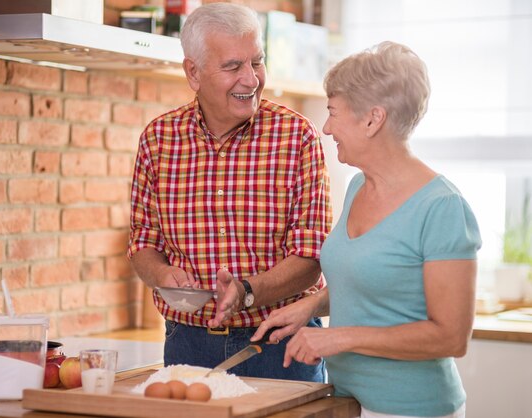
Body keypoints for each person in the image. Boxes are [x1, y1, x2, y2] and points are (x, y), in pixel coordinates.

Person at [252, 41, 481, 417]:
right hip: (345, 398)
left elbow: (451, 337)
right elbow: (372, 278)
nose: (326, 128)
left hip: (410, 409)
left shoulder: (442, 208)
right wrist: (312, 304)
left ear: (373, 119)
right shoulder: (359, 186)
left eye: (333, 113)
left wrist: (338, 338)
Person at [127, 2, 332, 381]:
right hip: (186, 344)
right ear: (193, 72)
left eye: (257, 61)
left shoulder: (296, 136)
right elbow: (143, 242)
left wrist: (246, 291)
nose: (251, 79)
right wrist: (161, 274)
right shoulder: (158, 140)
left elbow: (311, 257)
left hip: (280, 343)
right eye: (233, 66)